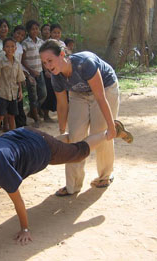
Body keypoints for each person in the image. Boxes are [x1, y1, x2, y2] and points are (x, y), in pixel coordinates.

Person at [0, 121, 133, 245]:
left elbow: (17, 200)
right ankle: (64, 142)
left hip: (41, 147)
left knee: (78, 153)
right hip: (25, 138)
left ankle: (111, 131)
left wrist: (25, 229)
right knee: (63, 147)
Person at [39, 40, 133, 195]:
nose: (48, 66)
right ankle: (73, 185)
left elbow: (100, 96)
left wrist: (110, 126)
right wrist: (62, 130)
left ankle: (105, 176)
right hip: (78, 93)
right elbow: (62, 105)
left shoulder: (84, 63)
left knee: (100, 132)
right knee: (75, 137)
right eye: (44, 63)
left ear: (62, 54)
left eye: (50, 60)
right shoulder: (56, 77)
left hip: (105, 88)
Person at [0, 38, 25, 136]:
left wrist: (20, 91)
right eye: (7, 46)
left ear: (15, 48)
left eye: (12, 46)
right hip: (2, 92)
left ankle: (12, 135)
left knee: (12, 116)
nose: (10, 48)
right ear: (3, 48)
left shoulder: (17, 62)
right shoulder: (1, 62)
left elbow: (19, 78)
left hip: (13, 93)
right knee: (0, 116)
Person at [21, 20, 47, 128]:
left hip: (40, 71)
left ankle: (33, 112)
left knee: (43, 94)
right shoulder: (25, 43)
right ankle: (36, 119)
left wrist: (46, 70)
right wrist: (31, 71)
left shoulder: (41, 42)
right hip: (30, 73)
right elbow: (23, 60)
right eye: (32, 29)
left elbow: (43, 58)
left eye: (36, 28)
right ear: (28, 30)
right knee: (33, 96)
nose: (35, 30)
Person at [12, 25, 27, 128]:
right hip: (8, 75)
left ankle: (21, 123)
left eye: (22, 35)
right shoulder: (9, 45)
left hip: (17, 75)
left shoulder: (20, 47)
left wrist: (23, 75)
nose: (19, 36)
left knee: (19, 99)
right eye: (18, 33)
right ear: (13, 32)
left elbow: (20, 63)